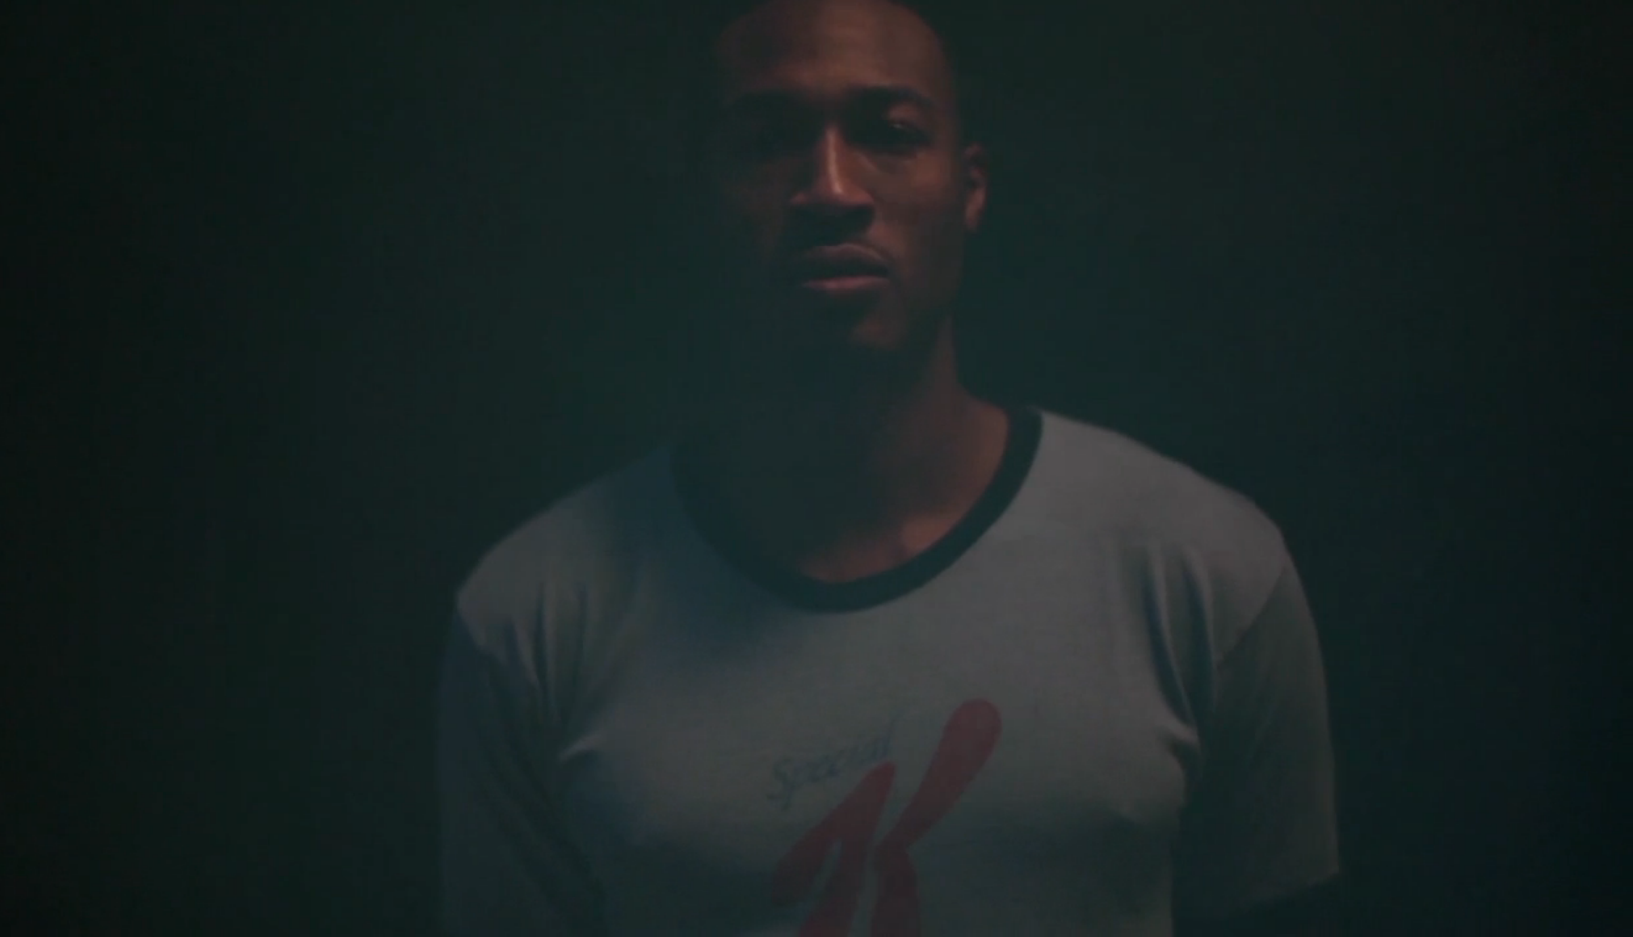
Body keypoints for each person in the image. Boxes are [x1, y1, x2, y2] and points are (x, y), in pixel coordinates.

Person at [436, 0, 1342, 934]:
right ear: (698, 194)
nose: (830, 188)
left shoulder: (1199, 569)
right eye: (767, 141)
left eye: (891, 134)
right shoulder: (534, 619)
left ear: (969, 187)